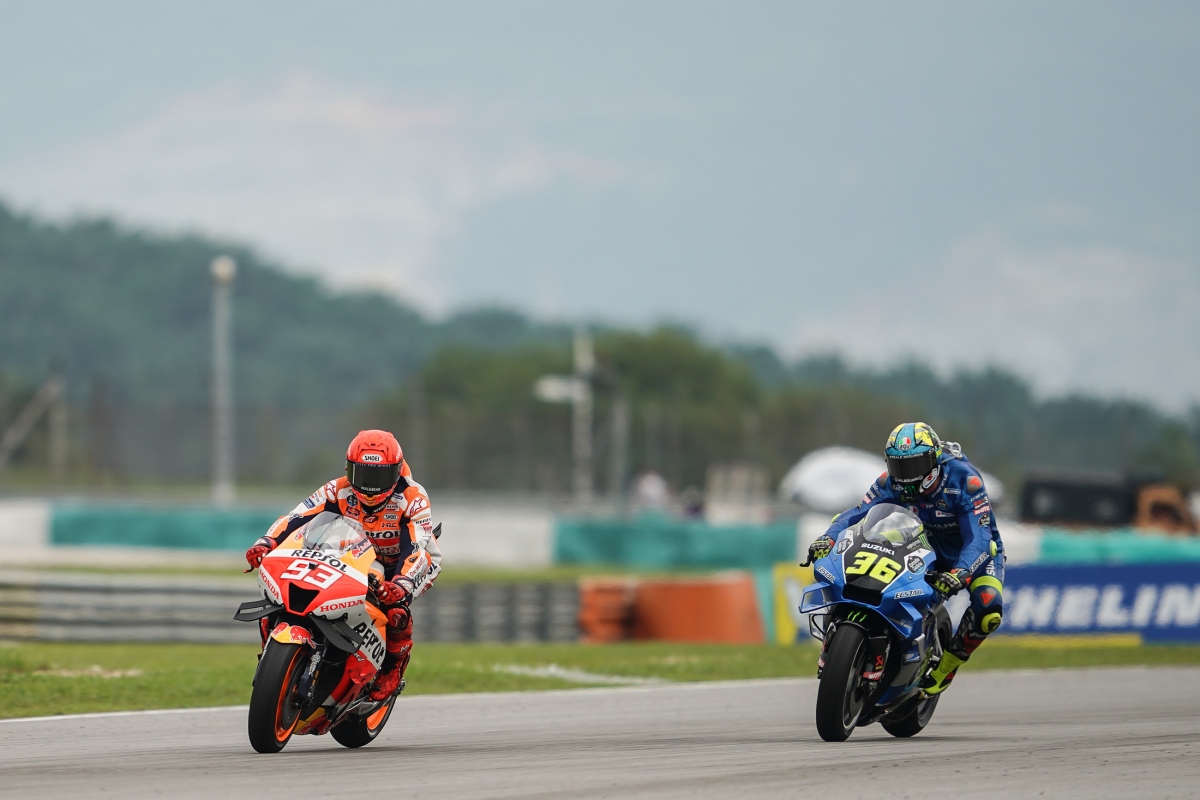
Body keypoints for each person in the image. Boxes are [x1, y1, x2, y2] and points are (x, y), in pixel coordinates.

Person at [806, 422, 1004, 695]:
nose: (906, 475)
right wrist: (828, 538)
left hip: (971, 552)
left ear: (934, 461)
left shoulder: (965, 482)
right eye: (899, 466)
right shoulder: (888, 481)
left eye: (915, 466)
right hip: (922, 543)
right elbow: (856, 513)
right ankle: (850, 639)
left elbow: (979, 538)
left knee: (989, 609)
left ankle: (947, 667)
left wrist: (961, 572)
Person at [245, 429, 442, 701]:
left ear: (396, 472)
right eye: (363, 475)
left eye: (379, 477)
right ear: (348, 469)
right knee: (286, 591)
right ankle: (274, 651)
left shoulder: (413, 497)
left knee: (396, 609)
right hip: (356, 554)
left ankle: (393, 668)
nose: (370, 487)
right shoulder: (337, 489)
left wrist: (402, 583)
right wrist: (266, 542)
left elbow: (417, 547)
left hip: (407, 563)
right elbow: (296, 516)